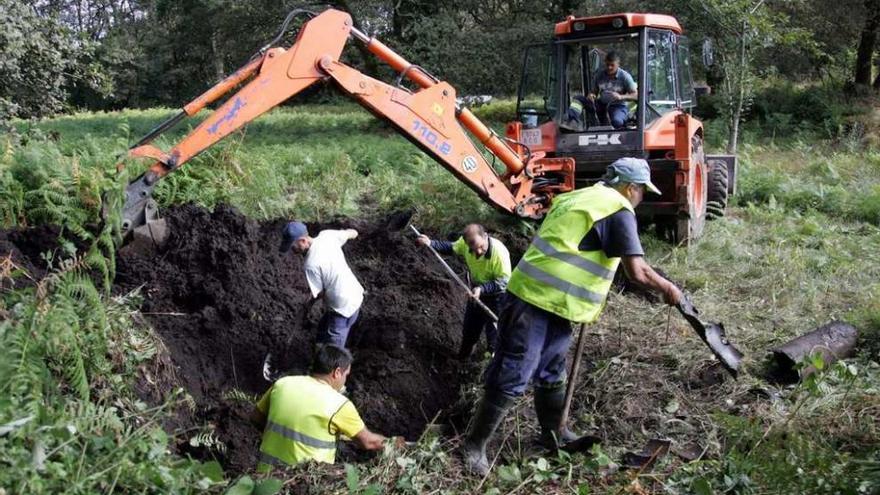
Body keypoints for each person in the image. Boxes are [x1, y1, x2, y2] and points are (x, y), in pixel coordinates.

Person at [460, 157, 683, 476]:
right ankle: (475, 445)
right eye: (641, 191)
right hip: (534, 300)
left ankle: (553, 434)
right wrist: (668, 289)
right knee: (515, 369)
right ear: (630, 187)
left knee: (552, 369)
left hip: (555, 301)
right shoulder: (617, 208)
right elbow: (638, 272)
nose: (640, 197)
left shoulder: (580, 196)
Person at [252, 344, 387, 470]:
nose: (345, 380)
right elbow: (369, 442)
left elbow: (256, 418)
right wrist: (394, 443)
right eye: (346, 375)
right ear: (337, 372)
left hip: (265, 477)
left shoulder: (282, 384)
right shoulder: (339, 405)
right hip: (303, 484)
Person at [416, 224, 512, 358]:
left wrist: (482, 289)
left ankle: (486, 367)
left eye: (480, 247)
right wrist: (430, 243)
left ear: (485, 236)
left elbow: (503, 282)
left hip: (497, 297)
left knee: (494, 337)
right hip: (475, 293)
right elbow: (451, 248)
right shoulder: (465, 244)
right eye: (473, 249)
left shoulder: (499, 253)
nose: (478, 252)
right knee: (469, 331)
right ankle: (462, 359)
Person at [279, 221, 364, 348]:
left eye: (293, 246)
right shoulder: (327, 236)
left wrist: (308, 305)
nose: (292, 250)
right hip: (355, 293)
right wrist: (355, 233)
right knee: (322, 330)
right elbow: (350, 233)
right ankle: (318, 353)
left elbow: (320, 293)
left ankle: (332, 365)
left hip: (342, 308)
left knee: (333, 353)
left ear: (302, 241)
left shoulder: (311, 264)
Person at [580, 51, 638, 129]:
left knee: (617, 122)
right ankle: (571, 121)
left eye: (612, 65)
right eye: (607, 65)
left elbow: (636, 95)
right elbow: (594, 92)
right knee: (578, 99)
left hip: (618, 106)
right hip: (601, 106)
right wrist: (592, 95)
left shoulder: (625, 77)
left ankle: (623, 121)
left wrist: (620, 97)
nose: (609, 67)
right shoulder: (599, 75)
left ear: (618, 64)